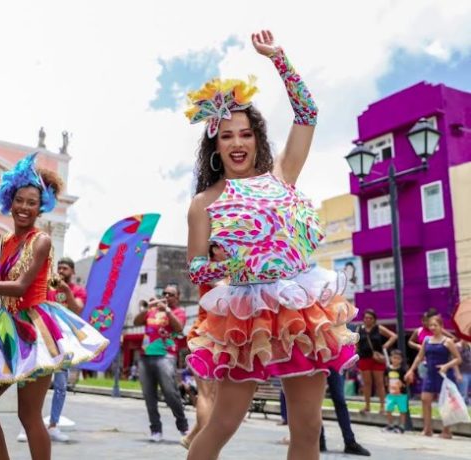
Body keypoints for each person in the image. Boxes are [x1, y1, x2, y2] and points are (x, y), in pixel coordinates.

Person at [184, 30, 358, 460]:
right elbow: (196, 269)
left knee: (308, 427)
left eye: (245, 134)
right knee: (223, 423)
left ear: (257, 139)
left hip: (302, 309)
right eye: (227, 136)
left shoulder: (282, 175)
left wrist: (279, 59)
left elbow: (307, 112)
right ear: (215, 144)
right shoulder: (204, 203)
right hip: (247, 315)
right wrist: (231, 266)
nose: (237, 143)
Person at [0, 153, 109, 460]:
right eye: (19, 200)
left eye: (32, 202)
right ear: (10, 201)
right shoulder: (2, 242)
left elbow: (20, 287)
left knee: (29, 415)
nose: (24, 207)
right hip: (4, 325)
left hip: (36, 330)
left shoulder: (41, 240)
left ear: (41, 206)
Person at [17, 256, 87, 443]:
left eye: (65, 268)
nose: (61, 271)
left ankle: (53, 426)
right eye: (59, 268)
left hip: (65, 342)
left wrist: (66, 290)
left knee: (61, 385)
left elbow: (77, 309)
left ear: (72, 272)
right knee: (32, 379)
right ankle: (28, 425)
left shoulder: (78, 290)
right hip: (44, 339)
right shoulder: (48, 286)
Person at [132, 284, 189, 442]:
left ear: (177, 297)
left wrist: (167, 311)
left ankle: (183, 426)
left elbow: (179, 328)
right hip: (145, 356)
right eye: (165, 293)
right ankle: (155, 429)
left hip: (166, 355)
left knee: (170, 392)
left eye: (170, 294)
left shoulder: (179, 311)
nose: (166, 296)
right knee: (149, 395)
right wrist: (147, 308)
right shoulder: (152, 310)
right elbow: (136, 322)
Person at [180, 244, 221, 449]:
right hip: (205, 334)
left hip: (224, 336)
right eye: (223, 245)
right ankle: (207, 448)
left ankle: (192, 439)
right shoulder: (210, 268)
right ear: (213, 249)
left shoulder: (230, 265)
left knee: (214, 396)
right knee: (207, 394)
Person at [281, 367, 371, 456]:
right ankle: (321, 440)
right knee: (316, 402)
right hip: (317, 362)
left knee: (339, 400)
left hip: (332, 362)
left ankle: (349, 441)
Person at [405, 315, 462, 438]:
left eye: (435, 325)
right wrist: (411, 370)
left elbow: (458, 359)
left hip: (444, 375)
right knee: (425, 399)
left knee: (445, 402)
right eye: (431, 325)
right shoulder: (426, 340)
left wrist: (446, 366)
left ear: (441, 326)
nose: (432, 327)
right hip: (430, 374)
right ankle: (427, 429)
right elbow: (419, 357)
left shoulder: (447, 341)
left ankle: (446, 431)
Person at [356, 309, 397, 414]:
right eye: (366, 318)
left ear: (374, 320)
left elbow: (393, 336)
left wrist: (386, 345)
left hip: (377, 359)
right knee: (367, 383)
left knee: (379, 383)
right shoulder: (359, 329)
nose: (368, 320)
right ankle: (367, 406)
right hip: (364, 358)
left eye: (370, 318)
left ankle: (383, 406)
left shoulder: (378, 328)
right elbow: (356, 344)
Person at [383, 349, 408, 434]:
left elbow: (406, 381)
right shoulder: (387, 369)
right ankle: (390, 424)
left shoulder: (403, 370)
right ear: (390, 358)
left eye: (398, 358)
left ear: (401, 360)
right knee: (388, 409)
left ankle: (402, 426)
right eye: (394, 358)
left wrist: (402, 385)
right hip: (390, 393)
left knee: (402, 410)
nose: (396, 360)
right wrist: (387, 386)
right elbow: (386, 378)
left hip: (401, 394)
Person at [457, 340, 471, 404]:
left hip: (469, 372)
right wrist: (458, 374)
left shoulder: (468, 346)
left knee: (467, 393)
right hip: (463, 372)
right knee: (463, 393)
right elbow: (455, 361)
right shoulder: (458, 347)